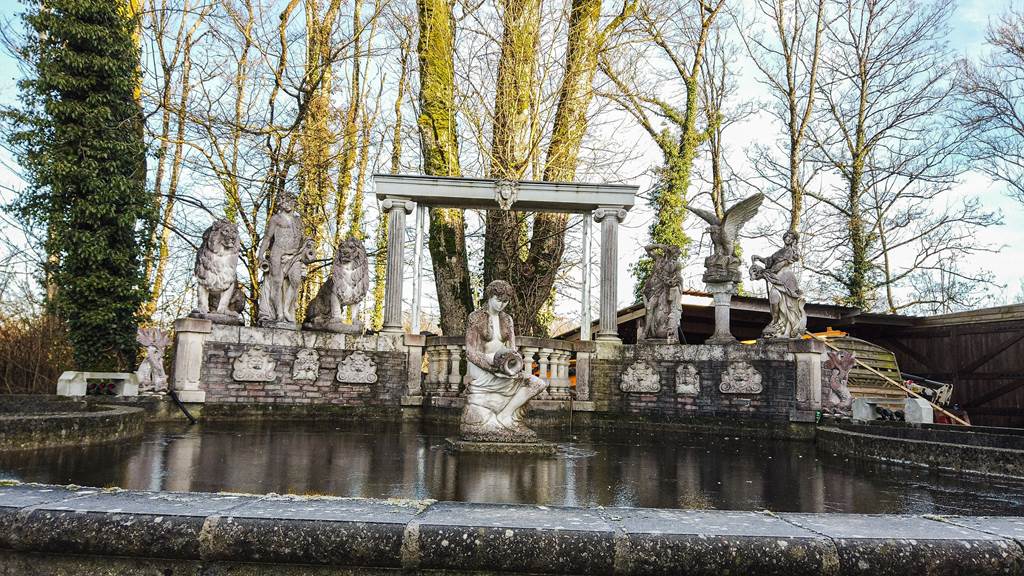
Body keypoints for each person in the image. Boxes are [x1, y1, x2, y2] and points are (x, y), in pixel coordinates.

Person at [461, 280, 547, 442]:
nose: (502, 305)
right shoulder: (475, 317)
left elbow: (512, 349)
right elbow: (471, 352)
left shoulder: (507, 319)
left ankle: (505, 417)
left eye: (505, 302)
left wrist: (514, 364)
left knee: (538, 384)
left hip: (504, 366)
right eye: (499, 300)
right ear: (490, 296)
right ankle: (497, 419)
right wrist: (490, 367)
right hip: (482, 364)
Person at [257, 191, 314, 326]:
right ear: (281, 203)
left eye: (290, 201)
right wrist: (260, 255)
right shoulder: (276, 219)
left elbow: (301, 239)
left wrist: (308, 246)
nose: (287, 204)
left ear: (294, 203)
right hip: (278, 253)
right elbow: (267, 238)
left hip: (294, 255)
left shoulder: (298, 220)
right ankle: (279, 313)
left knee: (296, 281)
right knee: (277, 283)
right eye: (284, 201)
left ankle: (287, 309)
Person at [750, 231, 807, 338]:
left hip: (786, 278)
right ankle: (776, 320)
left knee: (782, 300)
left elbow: (779, 265)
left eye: (791, 237)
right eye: (787, 236)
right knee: (774, 297)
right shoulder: (781, 251)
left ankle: (785, 325)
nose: (788, 238)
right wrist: (760, 258)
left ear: (794, 240)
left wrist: (765, 273)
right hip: (777, 277)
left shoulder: (790, 251)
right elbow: (770, 261)